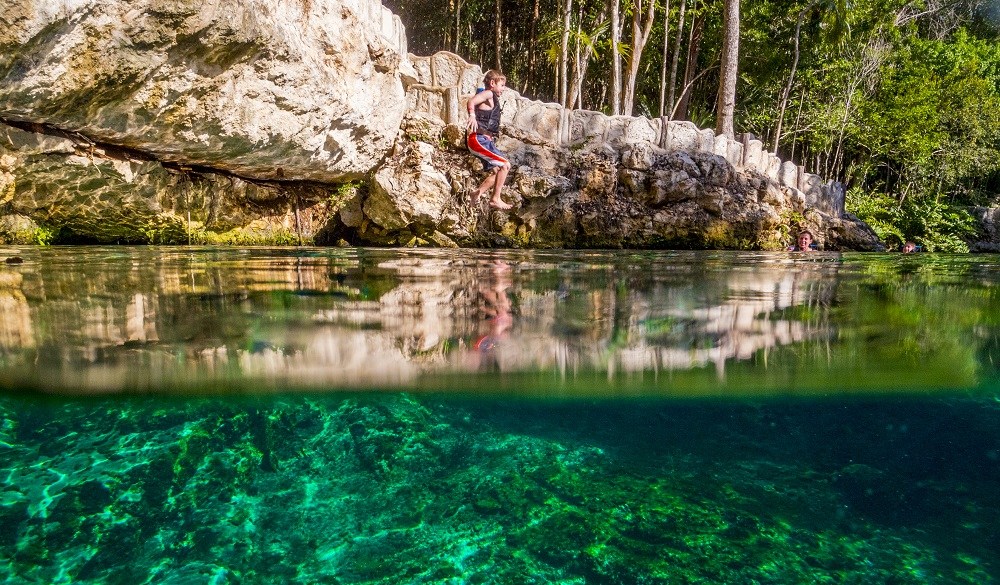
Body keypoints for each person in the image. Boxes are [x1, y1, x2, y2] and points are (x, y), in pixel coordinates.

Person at [466, 70, 513, 210]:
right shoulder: (489, 93)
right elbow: (471, 101)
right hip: (478, 139)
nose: (503, 89)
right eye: (502, 85)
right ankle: (495, 199)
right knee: (505, 165)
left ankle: (477, 193)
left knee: (499, 172)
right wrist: (472, 116)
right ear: (492, 83)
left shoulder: (492, 97)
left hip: (485, 141)